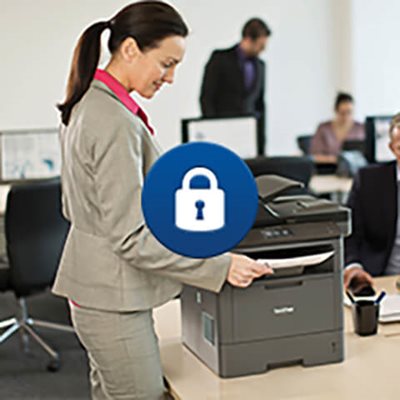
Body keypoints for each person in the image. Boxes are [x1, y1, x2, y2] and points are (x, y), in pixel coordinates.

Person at [52, 2, 272, 399]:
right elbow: (130, 237)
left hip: (97, 288)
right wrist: (219, 267)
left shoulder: (94, 102)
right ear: (131, 49)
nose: (170, 78)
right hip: (112, 297)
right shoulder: (113, 120)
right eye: (166, 63)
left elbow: (96, 209)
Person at [343, 113, 400, 290]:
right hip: (382, 282)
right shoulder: (369, 181)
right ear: (392, 149)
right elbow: (350, 234)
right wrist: (353, 266)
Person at [199, 18, 271, 153]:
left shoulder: (261, 66)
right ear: (248, 39)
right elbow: (207, 97)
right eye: (261, 46)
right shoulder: (219, 59)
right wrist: (212, 130)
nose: (263, 50)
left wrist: (261, 142)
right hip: (222, 131)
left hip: (249, 135)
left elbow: (260, 104)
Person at [310, 92, 365, 163]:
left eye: (349, 112)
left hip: (354, 168)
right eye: (342, 113)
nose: (346, 117)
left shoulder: (360, 128)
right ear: (336, 111)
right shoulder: (323, 129)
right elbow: (314, 156)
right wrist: (337, 160)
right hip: (328, 169)